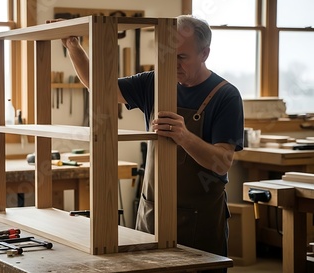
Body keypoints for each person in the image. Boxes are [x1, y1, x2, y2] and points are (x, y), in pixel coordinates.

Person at [57, 15, 244, 272]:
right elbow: (100, 86)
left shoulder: (226, 95)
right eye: (167, 55)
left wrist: (184, 136)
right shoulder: (153, 81)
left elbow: (222, 163)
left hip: (201, 219)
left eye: (182, 57)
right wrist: (74, 46)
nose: (173, 64)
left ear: (204, 54)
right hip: (153, 211)